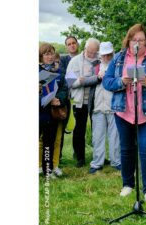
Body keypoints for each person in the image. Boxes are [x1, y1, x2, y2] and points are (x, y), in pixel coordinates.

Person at [103, 23, 146, 202]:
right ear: (128, 41)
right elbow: (107, 82)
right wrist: (121, 82)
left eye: (141, 40)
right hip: (124, 111)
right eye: (134, 39)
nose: (138, 43)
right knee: (126, 150)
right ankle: (127, 184)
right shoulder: (118, 58)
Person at [66, 38, 101, 167]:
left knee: (98, 129)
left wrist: (86, 79)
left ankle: (99, 156)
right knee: (79, 130)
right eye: (90, 52)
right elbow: (69, 82)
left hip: (96, 100)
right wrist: (80, 82)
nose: (92, 55)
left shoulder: (100, 60)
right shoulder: (74, 62)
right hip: (79, 101)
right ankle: (80, 158)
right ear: (85, 48)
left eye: (94, 53)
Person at [89, 42, 121, 174]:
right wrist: (97, 77)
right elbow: (87, 81)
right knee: (98, 136)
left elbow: (121, 83)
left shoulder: (118, 66)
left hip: (113, 106)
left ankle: (116, 161)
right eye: (104, 54)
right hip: (97, 106)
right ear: (100, 55)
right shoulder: (95, 67)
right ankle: (97, 163)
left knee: (115, 136)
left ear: (112, 53)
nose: (106, 57)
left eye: (108, 54)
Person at [39, 43, 68, 177]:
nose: (50, 57)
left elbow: (64, 88)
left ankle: (48, 170)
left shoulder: (58, 72)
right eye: (46, 54)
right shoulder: (37, 71)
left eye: (51, 53)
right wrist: (45, 98)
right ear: (41, 56)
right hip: (39, 110)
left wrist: (58, 100)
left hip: (53, 111)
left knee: (49, 141)